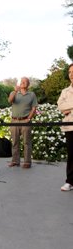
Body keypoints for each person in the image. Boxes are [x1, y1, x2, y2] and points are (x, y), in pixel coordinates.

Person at [8, 77, 37, 168]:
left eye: (25, 82)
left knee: (27, 142)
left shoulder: (32, 94)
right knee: (15, 142)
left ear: (28, 84)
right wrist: (15, 92)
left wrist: (29, 118)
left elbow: (34, 108)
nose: (22, 83)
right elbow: (10, 101)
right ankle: (15, 161)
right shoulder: (14, 93)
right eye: (21, 81)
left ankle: (27, 162)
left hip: (25, 121)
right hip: (14, 120)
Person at [57, 63, 73, 191]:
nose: (71, 74)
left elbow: (65, 106)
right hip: (70, 127)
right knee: (71, 155)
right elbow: (60, 106)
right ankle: (70, 181)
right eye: (69, 72)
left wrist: (68, 106)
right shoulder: (65, 91)